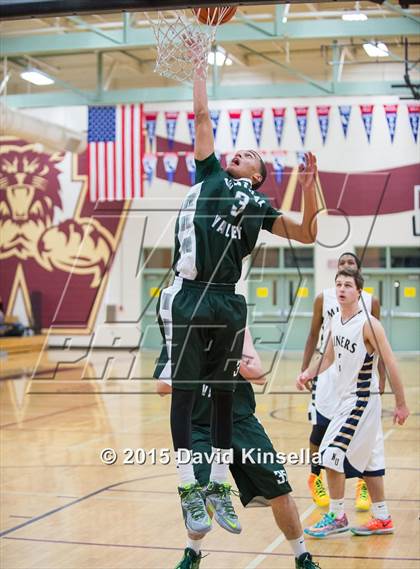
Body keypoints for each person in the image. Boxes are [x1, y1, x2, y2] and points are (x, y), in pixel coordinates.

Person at [154, 50, 319, 537]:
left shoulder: (259, 205)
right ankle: (189, 486)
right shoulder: (209, 175)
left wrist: (309, 188)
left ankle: (220, 486)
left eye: (250, 154)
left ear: (259, 174)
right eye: (239, 149)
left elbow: (308, 233)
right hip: (189, 293)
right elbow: (202, 116)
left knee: (225, 396)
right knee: (184, 395)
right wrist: (200, 70)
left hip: (227, 299)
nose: (240, 152)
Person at [156, 328, 321, 569]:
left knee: (280, 492)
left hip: (240, 422)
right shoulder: (180, 332)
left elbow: (259, 375)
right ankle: (192, 554)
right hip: (201, 427)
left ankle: (302, 557)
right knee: (203, 495)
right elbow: (161, 386)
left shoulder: (237, 330)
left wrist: (227, 355)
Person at [297, 268, 409, 538]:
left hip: (362, 400)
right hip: (345, 398)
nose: (342, 289)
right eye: (338, 284)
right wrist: (309, 373)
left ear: (359, 291)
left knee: (329, 454)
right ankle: (382, 517)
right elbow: (329, 356)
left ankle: (337, 515)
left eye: (348, 285)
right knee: (370, 463)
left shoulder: (369, 324)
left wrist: (401, 403)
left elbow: (390, 362)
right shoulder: (337, 321)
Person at [301, 252, 385, 511]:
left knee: (362, 435)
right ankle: (316, 476)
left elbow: (379, 347)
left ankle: (361, 484)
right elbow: (314, 334)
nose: (346, 266)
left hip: (358, 378)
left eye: (351, 264)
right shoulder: (323, 299)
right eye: (342, 264)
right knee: (321, 429)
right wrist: (306, 370)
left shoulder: (371, 301)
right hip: (328, 373)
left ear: (358, 275)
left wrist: (381, 380)